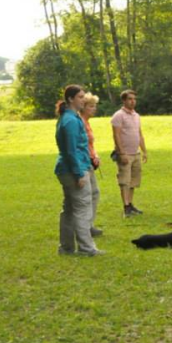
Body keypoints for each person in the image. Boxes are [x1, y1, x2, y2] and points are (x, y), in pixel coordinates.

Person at [54, 84, 103, 256]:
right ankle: (86, 248)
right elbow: (71, 151)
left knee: (69, 210)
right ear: (70, 99)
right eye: (80, 97)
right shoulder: (70, 121)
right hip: (74, 170)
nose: (84, 100)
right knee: (82, 209)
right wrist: (79, 173)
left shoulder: (70, 118)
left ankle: (66, 248)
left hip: (70, 168)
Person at [111, 89, 147, 218]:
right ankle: (126, 207)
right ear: (124, 100)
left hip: (136, 153)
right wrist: (121, 153)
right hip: (125, 154)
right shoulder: (118, 115)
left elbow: (140, 134)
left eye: (134, 99)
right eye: (130, 99)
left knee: (133, 181)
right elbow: (116, 135)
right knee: (124, 181)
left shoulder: (136, 115)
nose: (133, 101)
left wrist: (144, 151)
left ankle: (130, 204)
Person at [79, 92, 103, 236]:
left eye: (95, 106)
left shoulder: (87, 122)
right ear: (83, 107)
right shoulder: (80, 122)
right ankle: (86, 227)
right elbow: (80, 145)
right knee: (89, 194)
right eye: (91, 106)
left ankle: (89, 225)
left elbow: (90, 144)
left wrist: (96, 155)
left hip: (90, 161)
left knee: (94, 193)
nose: (94, 109)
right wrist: (90, 157)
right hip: (83, 162)